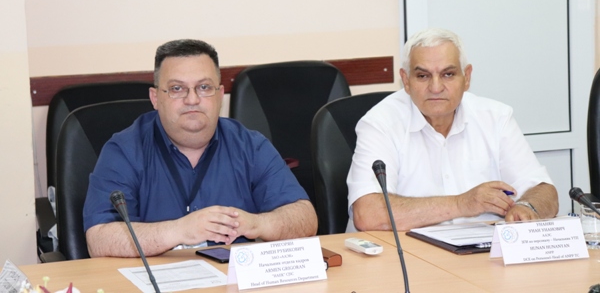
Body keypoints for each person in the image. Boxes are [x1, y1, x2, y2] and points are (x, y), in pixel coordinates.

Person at [84, 39, 317, 257]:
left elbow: (305, 218)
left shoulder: (250, 146)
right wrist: (179, 230)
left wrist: (258, 224)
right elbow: (99, 239)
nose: (192, 99)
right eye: (177, 89)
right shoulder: (124, 151)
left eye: (204, 87)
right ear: (155, 98)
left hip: (232, 278)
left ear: (220, 95)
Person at [346, 28, 558, 232]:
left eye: (448, 74)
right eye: (423, 76)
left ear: (467, 77)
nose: (436, 87)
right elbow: (368, 214)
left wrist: (528, 207)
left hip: (480, 250)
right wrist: (462, 204)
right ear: (406, 81)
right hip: (404, 252)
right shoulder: (380, 123)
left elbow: (545, 191)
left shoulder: (496, 117)